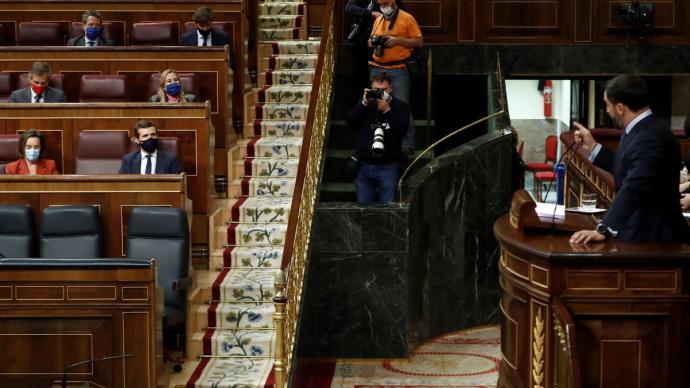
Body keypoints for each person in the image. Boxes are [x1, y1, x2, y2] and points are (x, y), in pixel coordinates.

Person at [570, 74, 688, 244]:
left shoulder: (650, 136)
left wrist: (605, 227)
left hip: (653, 239)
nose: (607, 111)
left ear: (620, 108)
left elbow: (635, 185)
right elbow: (628, 168)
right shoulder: (640, 128)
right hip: (640, 232)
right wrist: (594, 148)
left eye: (607, 105)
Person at [346, 72, 410, 203]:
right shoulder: (365, 105)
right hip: (363, 166)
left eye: (384, 90)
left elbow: (401, 131)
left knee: (387, 209)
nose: (380, 93)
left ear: (391, 88)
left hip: (388, 167)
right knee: (364, 209)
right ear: (370, 88)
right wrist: (363, 103)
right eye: (376, 90)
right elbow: (350, 121)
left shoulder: (399, 107)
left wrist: (387, 111)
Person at [368, 0, 422, 154]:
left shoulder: (407, 18)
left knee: (402, 106)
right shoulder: (378, 20)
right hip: (377, 68)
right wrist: (372, 42)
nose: (383, 6)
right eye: (380, 4)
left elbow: (419, 42)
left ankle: (407, 143)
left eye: (385, 3)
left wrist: (397, 41)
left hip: (398, 69)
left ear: (393, 1)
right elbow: (369, 41)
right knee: (375, 104)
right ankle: (379, 139)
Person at [180, 6, 236, 71]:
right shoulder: (185, 38)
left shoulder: (223, 37)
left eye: (208, 25)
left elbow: (232, 61)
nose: (205, 29)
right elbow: (183, 62)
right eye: (202, 26)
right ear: (196, 24)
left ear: (212, 22)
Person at [345, 0, 381, 90]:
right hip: (360, 41)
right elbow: (349, 8)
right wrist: (370, 13)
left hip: (379, 43)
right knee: (357, 74)